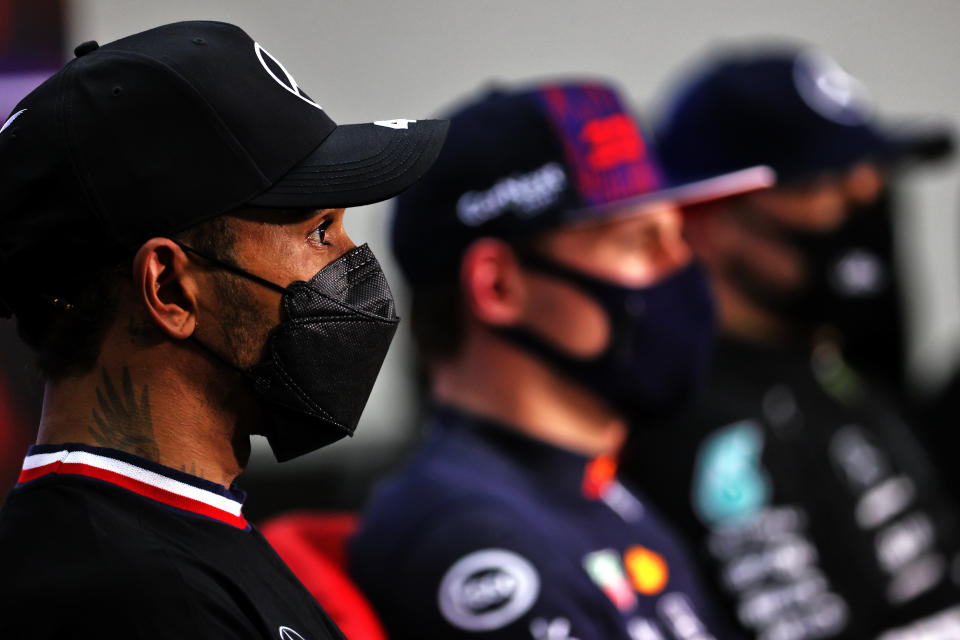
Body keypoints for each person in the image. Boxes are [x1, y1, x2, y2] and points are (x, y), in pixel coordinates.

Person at [0, 20, 447, 639]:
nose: (350, 261)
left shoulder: (175, 538)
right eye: (320, 231)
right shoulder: (130, 597)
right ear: (170, 288)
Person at [348, 80, 774, 639]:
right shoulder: (469, 538)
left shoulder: (595, 493)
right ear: (498, 286)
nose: (681, 265)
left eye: (678, 233)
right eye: (637, 241)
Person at [620, 46, 960, 640]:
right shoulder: (683, 412)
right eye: (825, 184)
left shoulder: (830, 362)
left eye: (873, 177)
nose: (864, 203)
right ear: (709, 217)